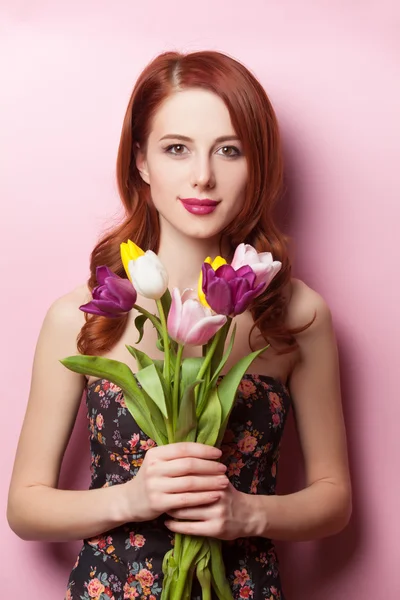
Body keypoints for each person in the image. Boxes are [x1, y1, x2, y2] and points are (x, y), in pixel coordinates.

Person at [7, 50, 352, 600]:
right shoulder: (83, 313)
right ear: (141, 162)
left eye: (229, 150)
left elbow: (334, 499)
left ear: (256, 162)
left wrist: (246, 514)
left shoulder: (294, 314)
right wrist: (132, 499)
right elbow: (24, 507)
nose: (203, 177)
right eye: (176, 149)